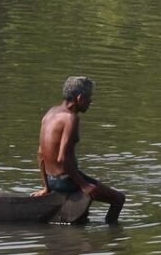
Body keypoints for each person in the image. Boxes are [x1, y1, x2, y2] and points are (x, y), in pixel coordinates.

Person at [31, 76, 126, 223]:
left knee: (83, 215)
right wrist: (84, 185)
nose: (90, 102)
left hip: (52, 179)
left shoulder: (50, 113)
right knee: (119, 199)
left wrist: (46, 187)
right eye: (89, 98)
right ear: (80, 98)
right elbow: (62, 159)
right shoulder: (70, 118)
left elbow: (40, 153)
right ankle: (113, 234)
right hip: (66, 180)